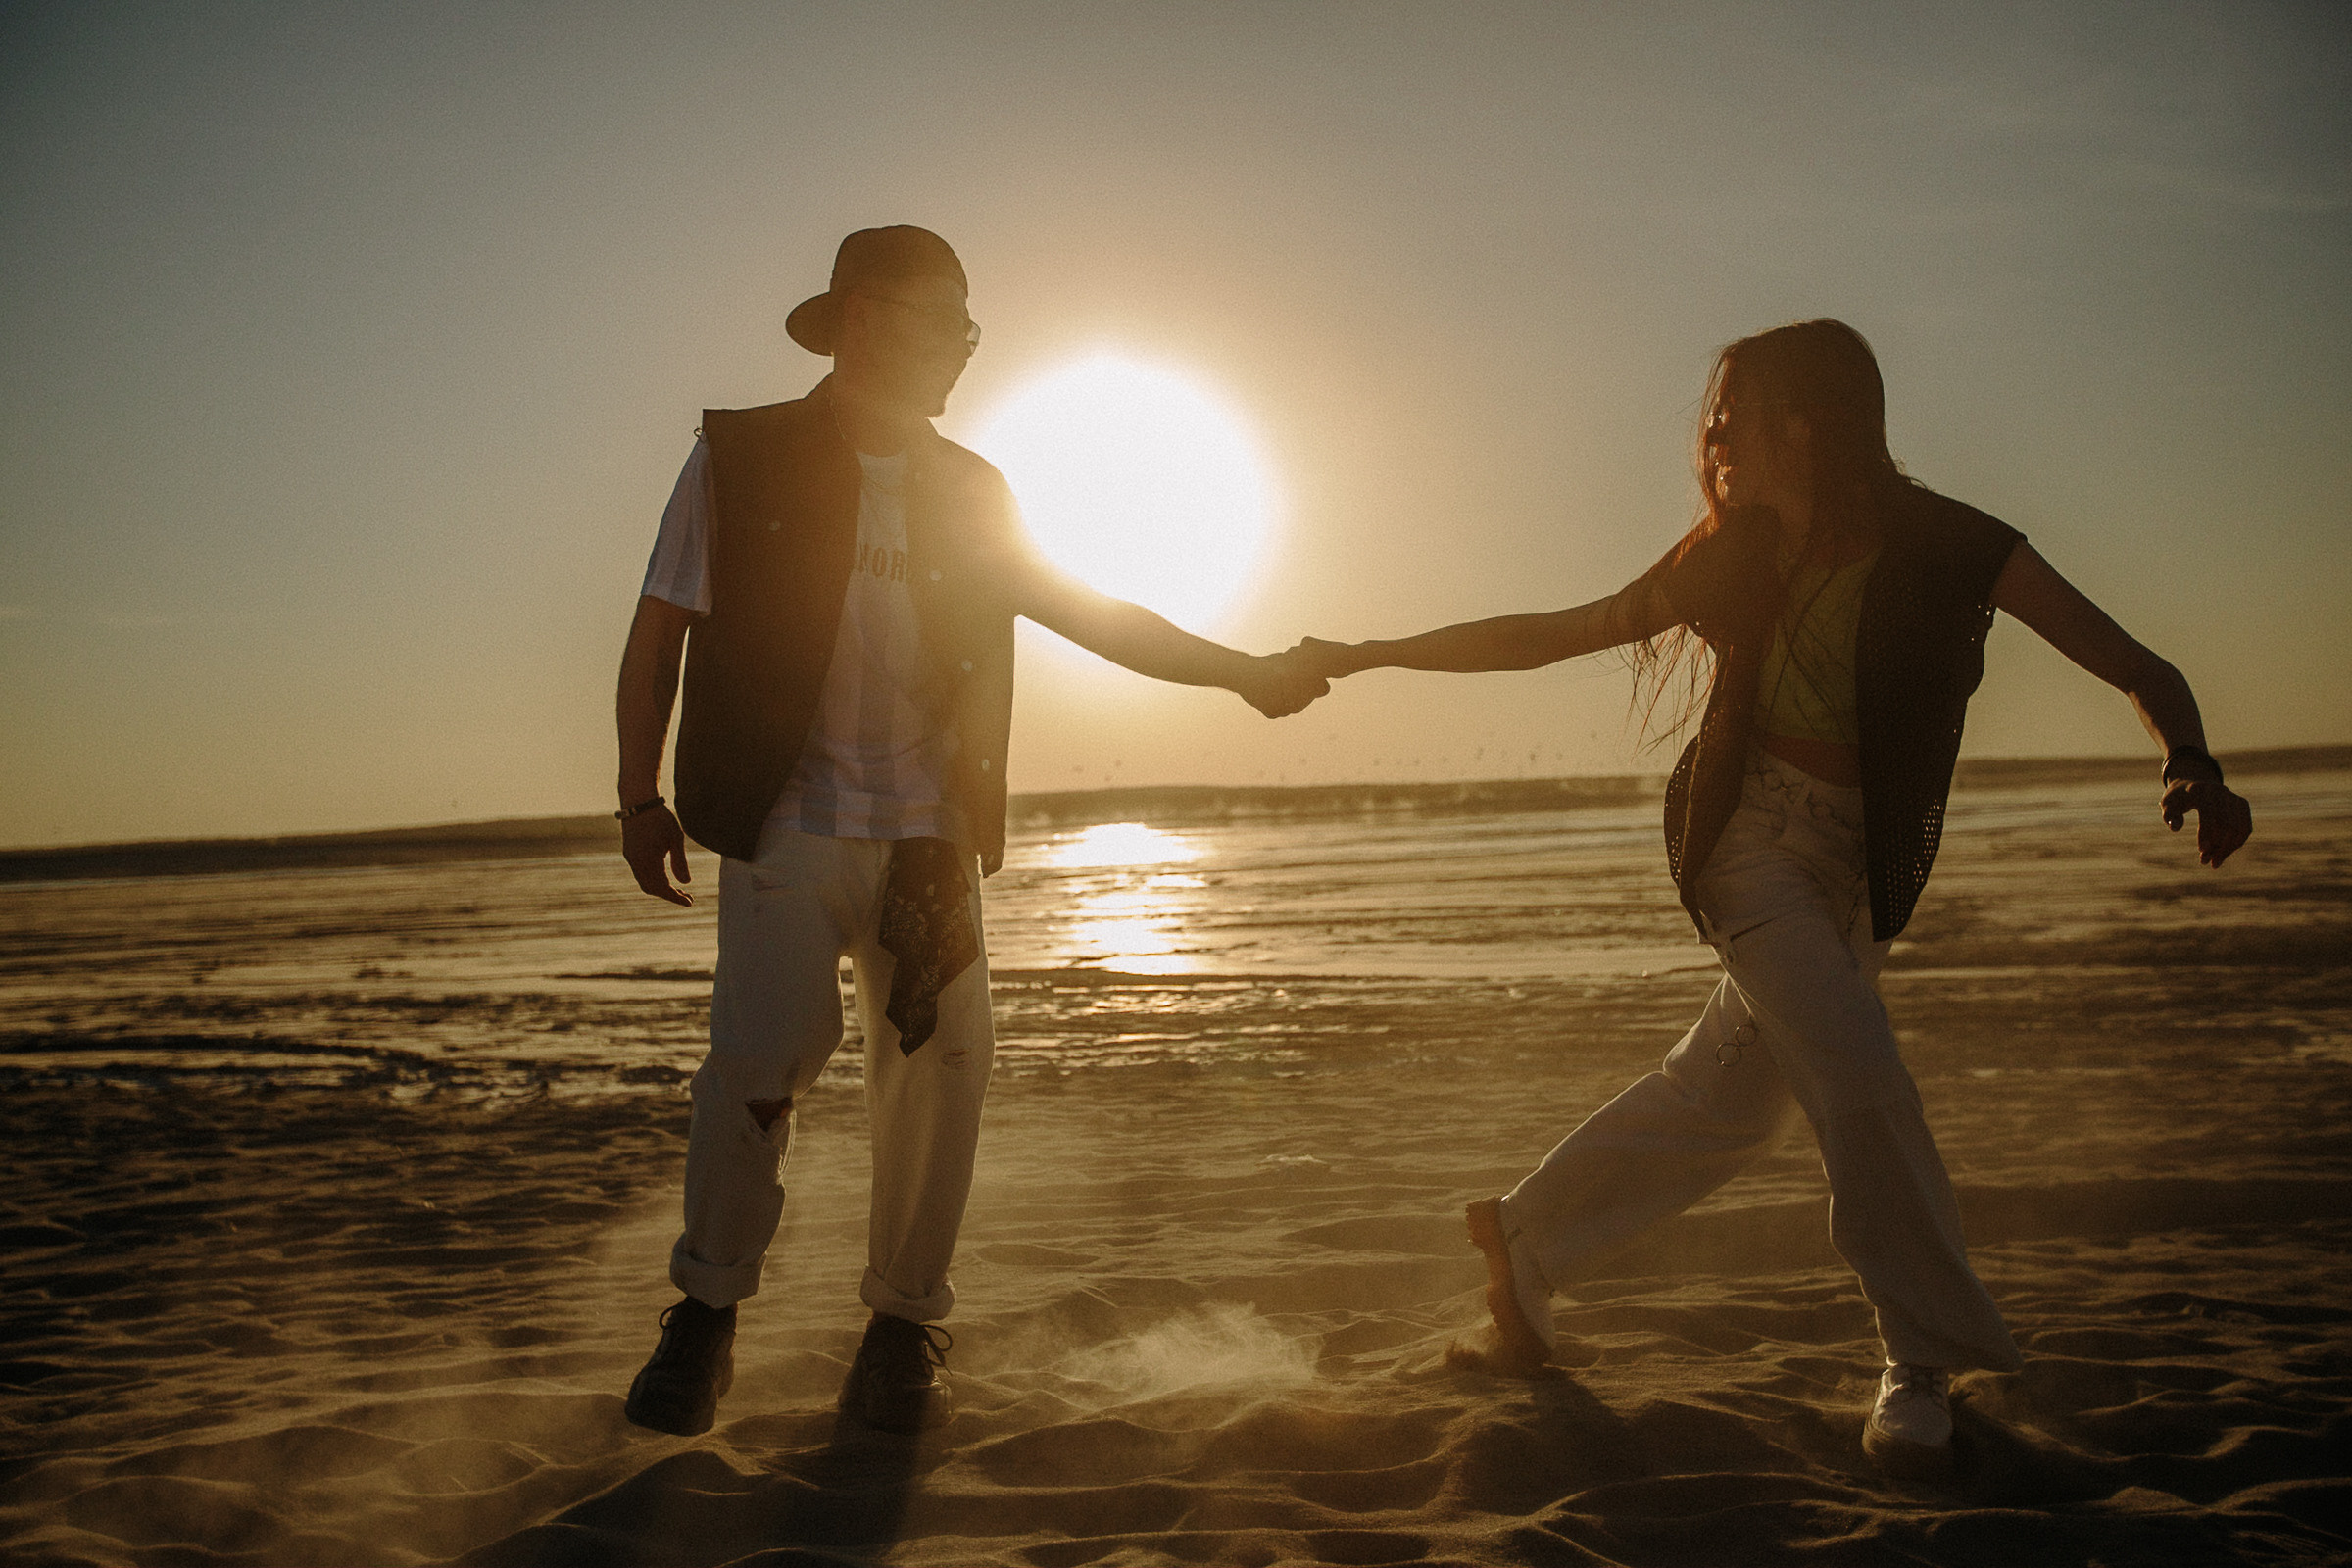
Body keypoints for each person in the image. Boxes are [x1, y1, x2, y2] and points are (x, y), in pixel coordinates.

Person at [1282, 318, 2252, 1477]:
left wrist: (2190, 753)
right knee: (1861, 1080)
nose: (1715, 429)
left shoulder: (1948, 543)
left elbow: (2132, 659)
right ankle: (1921, 1359)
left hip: (1855, 869)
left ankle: (1526, 1241)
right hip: (1747, 846)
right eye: (1716, 410)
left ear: (1812, 418)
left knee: (1729, 1104)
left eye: (1737, 406)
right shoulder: (1728, 556)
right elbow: (1554, 634)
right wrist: (1367, 648)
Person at [615, 225, 1326, 1438]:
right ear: (859, 320)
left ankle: (899, 1329)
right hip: (788, 819)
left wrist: (1242, 670)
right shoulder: (741, 455)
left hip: (931, 837)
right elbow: (660, 628)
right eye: (941, 319)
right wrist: (640, 791)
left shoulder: (971, 489)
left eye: (969, 325)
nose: (959, 347)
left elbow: (1091, 611)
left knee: (944, 1070)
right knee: (761, 1058)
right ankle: (707, 1314)